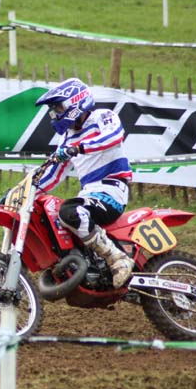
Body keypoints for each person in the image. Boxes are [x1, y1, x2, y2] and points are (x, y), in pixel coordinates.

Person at [34, 78, 134, 288]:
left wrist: (78, 148)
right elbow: (52, 175)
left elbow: (114, 137)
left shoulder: (103, 117)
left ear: (75, 102)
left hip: (112, 190)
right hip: (90, 194)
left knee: (69, 211)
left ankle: (117, 258)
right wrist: (21, 192)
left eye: (58, 107)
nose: (55, 114)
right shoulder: (67, 139)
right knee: (46, 218)